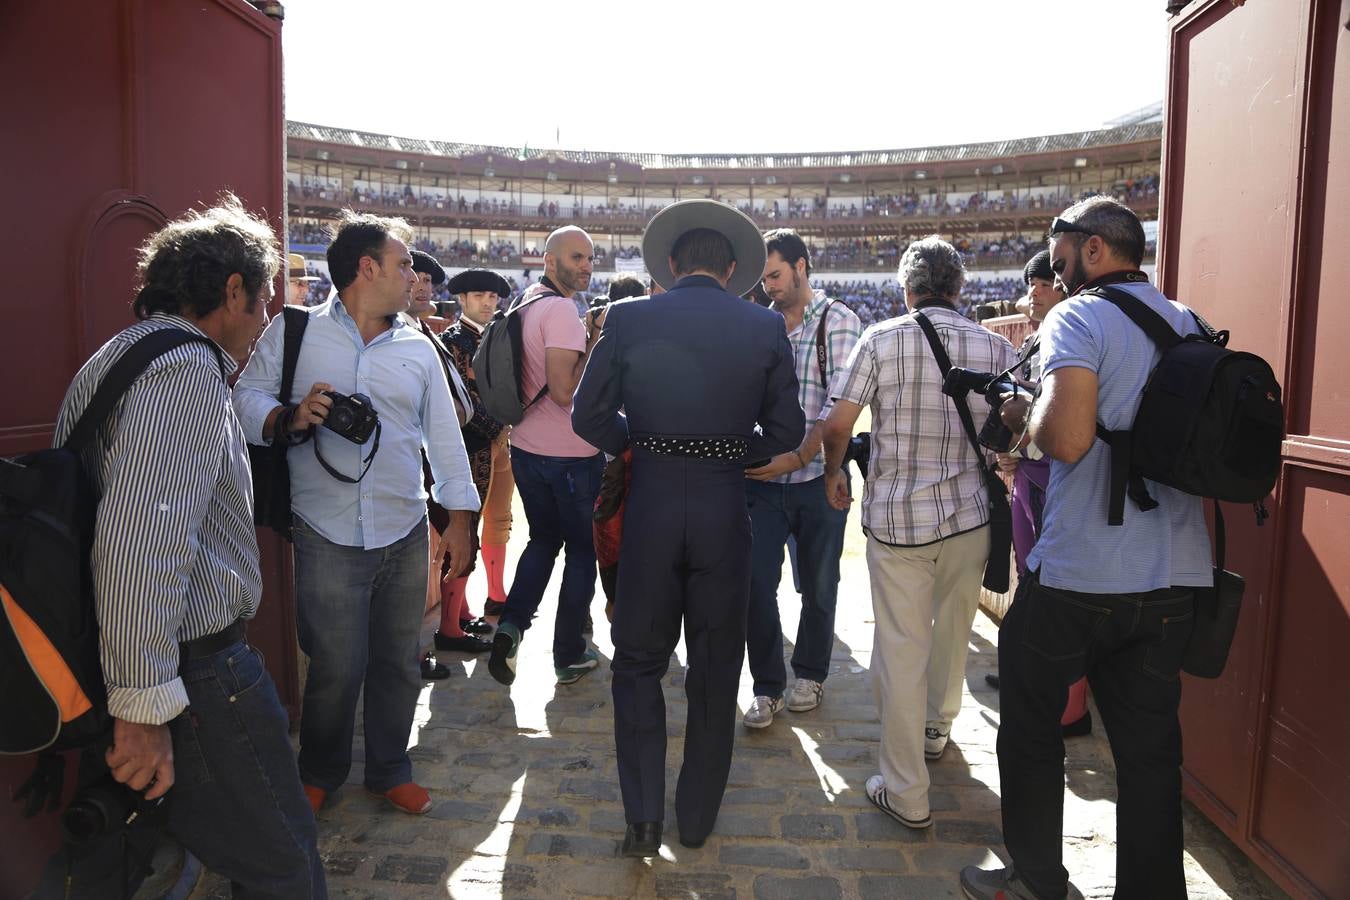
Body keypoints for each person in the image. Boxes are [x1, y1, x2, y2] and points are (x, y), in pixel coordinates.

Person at [48, 195, 325, 896]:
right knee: (285, 865)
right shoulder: (186, 371)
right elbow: (142, 544)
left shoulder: (128, 353)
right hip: (195, 678)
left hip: (168, 671)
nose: (266, 322)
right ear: (232, 291)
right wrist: (142, 708)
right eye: (262, 301)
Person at [961, 197, 1211, 900]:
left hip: (1082, 571)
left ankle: (1037, 881)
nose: (1058, 265)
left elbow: (1066, 437)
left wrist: (1025, 412)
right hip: (1174, 570)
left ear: (1094, 249)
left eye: (1061, 250)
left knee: (1032, 729)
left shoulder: (1077, 315)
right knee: (1151, 755)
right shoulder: (1187, 320)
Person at [572, 200, 805, 857]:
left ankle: (643, 820)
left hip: (649, 507)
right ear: (732, 270)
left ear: (671, 266)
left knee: (639, 664)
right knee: (713, 665)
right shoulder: (762, 328)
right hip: (722, 510)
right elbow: (786, 433)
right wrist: (729, 451)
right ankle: (695, 818)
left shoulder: (627, 316)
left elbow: (589, 419)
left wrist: (639, 442)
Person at [233, 211, 479, 818]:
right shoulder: (292, 332)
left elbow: (445, 439)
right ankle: (319, 772)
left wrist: (460, 520)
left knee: (399, 661)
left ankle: (390, 770)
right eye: (403, 264)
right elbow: (243, 397)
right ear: (367, 268)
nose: (415, 275)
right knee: (335, 665)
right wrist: (289, 415)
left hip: (404, 527)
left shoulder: (419, 346)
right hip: (325, 528)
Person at [821, 236, 1015, 831]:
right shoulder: (996, 345)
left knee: (902, 646)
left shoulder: (883, 339)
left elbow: (838, 423)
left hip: (899, 519)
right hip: (969, 517)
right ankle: (938, 727)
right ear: (960, 288)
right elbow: (1012, 432)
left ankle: (906, 788)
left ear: (907, 288)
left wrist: (834, 472)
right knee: (954, 627)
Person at [742, 229, 862, 729]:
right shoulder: (756, 324)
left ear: (801, 266)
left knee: (819, 585)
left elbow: (838, 405)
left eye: (775, 274)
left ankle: (810, 673)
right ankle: (767, 686)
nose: (768, 285)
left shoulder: (838, 320)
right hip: (762, 480)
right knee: (753, 586)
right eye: (762, 278)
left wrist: (801, 457)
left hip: (815, 477)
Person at [486, 226, 606, 687]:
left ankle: (512, 627)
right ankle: (568, 652)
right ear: (549, 260)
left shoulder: (525, 301)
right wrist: (592, 338)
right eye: (577, 257)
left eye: (591, 258)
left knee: (541, 542)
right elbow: (563, 392)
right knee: (580, 553)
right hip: (572, 456)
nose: (587, 266)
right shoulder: (559, 310)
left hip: (528, 448)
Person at [991, 250, 1091, 736]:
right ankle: (1038, 681)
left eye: (1042, 284)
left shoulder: (1075, 336)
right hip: (1032, 478)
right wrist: (1013, 450)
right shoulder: (1037, 340)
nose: (1032, 293)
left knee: (1056, 588)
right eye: (1031, 284)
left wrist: (1024, 444)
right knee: (1030, 578)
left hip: (1059, 480)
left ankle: (1069, 707)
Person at [406, 251, 490, 680]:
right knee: (420, 554)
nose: (423, 286)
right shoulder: (412, 335)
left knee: (455, 541)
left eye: (428, 280)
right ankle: (432, 639)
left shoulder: (426, 332)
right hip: (422, 460)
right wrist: (491, 423)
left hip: (453, 453)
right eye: (414, 277)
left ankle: (450, 625)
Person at [436, 267, 517, 641]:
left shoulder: (499, 337)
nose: (488, 302)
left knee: (500, 519)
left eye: (493, 297)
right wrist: (497, 426)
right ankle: (454, 617)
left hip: (502, 442)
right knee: (466, 526)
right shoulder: (451, 340)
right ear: (462, 299)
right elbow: (457, 401)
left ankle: (496, 595)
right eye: (480, 296)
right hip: (471, 444)